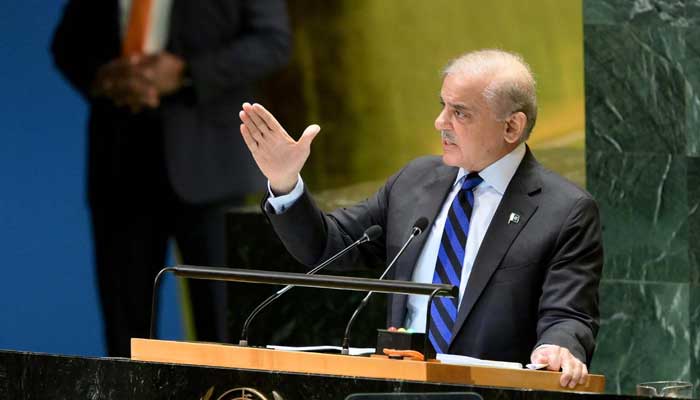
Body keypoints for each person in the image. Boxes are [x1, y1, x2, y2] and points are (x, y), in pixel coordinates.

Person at [238, 49, 603, 388]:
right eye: (442, 106)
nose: (440, 121)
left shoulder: (564, 210)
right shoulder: (415, 181)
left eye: (460, 113)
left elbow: (567, 314)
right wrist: (285, 182)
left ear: (511, 127)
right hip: (398, 387)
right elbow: (325, 246)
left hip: (488, 392)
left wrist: (559, 347)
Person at [51, 0, 291, 357]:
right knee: (125, 340)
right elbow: (67, 46)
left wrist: (187, 72)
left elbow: (273, 41)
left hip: (213, 169)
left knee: (223, 337)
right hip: (119, 169)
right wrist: (109, 79)